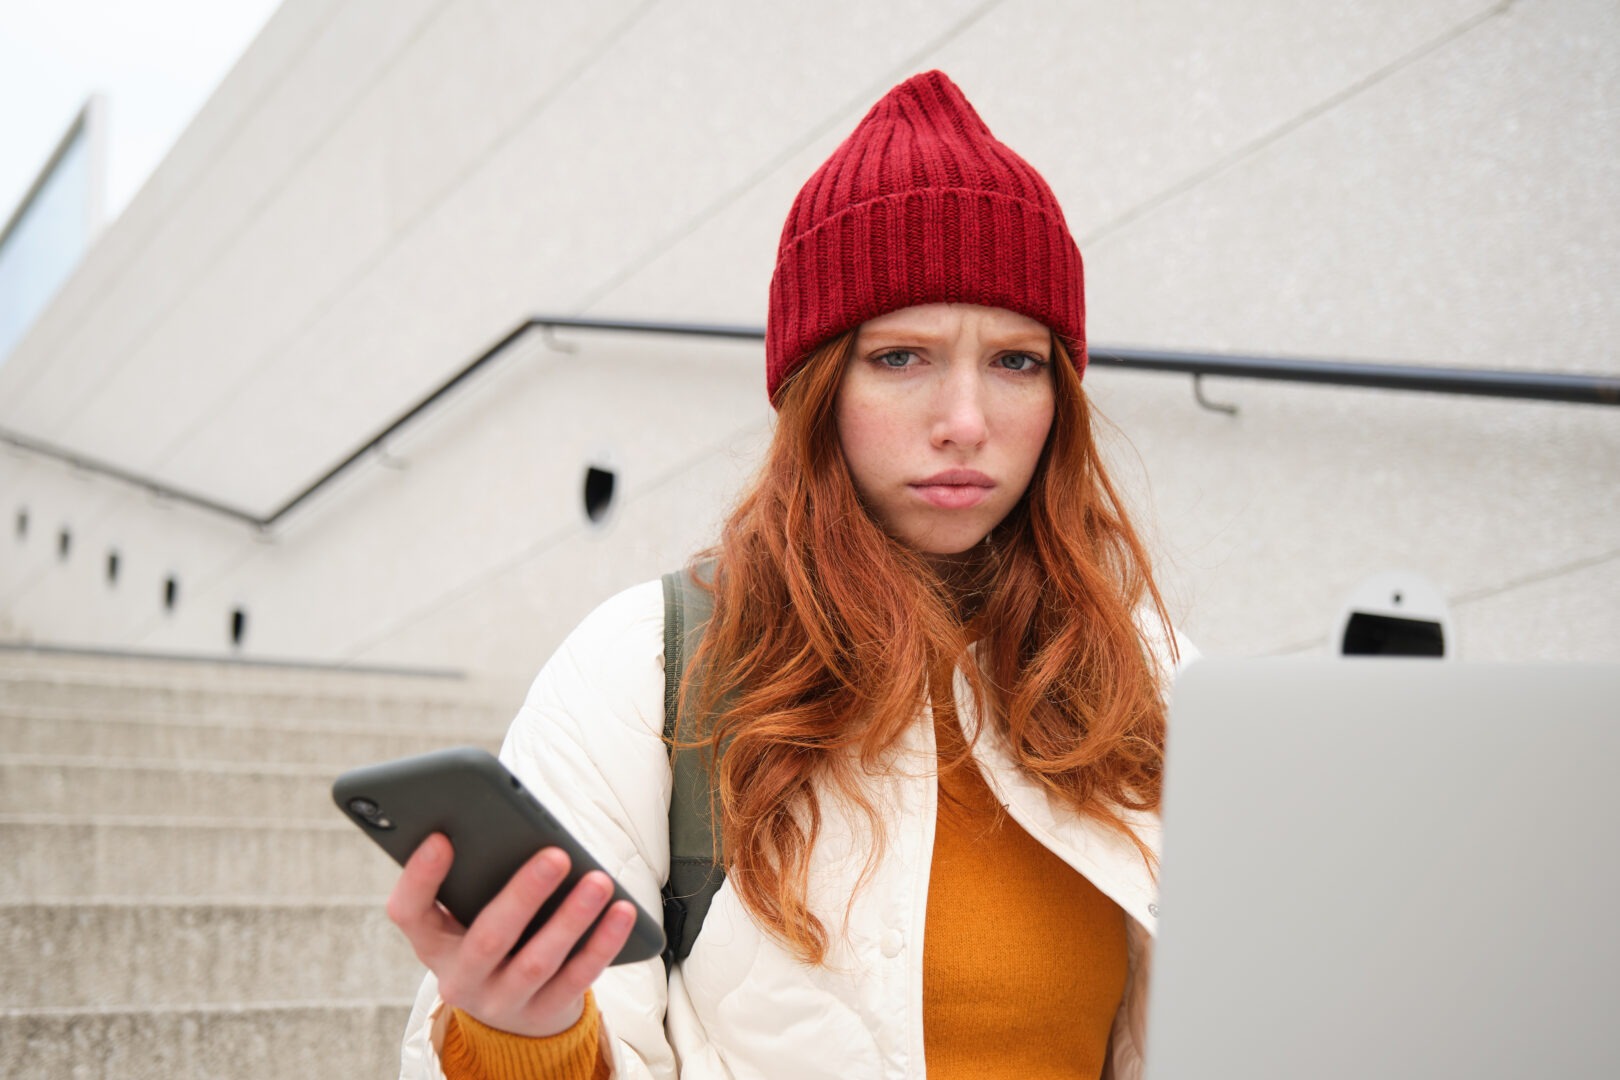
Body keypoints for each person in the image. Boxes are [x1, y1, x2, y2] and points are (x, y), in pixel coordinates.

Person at [389, 70, 1194, 1080]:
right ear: (817, 388)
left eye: (1017, 361)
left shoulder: (1156, 680)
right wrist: (523, 1036)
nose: (966, 420)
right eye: (901, 358)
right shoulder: (646, 669)